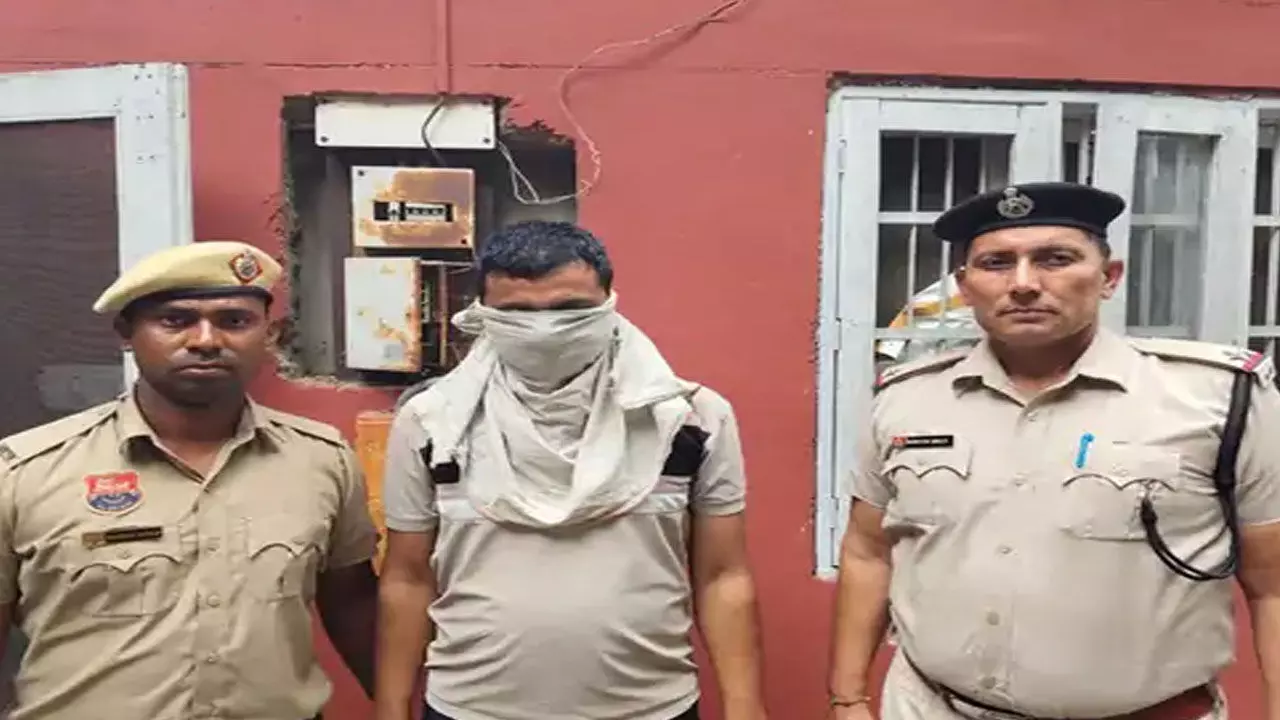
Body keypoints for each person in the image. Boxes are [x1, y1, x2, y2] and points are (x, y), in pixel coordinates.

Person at [827, 182, 1280, 720]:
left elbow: (1273, 585)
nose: (1023, 284)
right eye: (996, 263)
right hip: (930, 707)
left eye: (1055, 259)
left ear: (1109, 277)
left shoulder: (1218, 398)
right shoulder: (904, 399)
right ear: (964, 287)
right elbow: (868, 552)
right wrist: (847, 697)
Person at [374, 220, 768, 720]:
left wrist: (745, 706)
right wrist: (391, 707)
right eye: (517, 313)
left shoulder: (688, 420)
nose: (546, 330)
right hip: (470, 708)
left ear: (609, 303)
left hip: (651, 708)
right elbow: (407, 579)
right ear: (483, 314)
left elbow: (722, 576)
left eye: (570, 310)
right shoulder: (434, 423)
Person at [0, 240, 379, 719]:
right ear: (126, 333)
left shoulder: (321, 460)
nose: (205, 340)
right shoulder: (27, 471)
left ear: (270, 335)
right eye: (175, 320)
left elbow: (353, 606)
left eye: (234, 321)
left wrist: (394, 706)